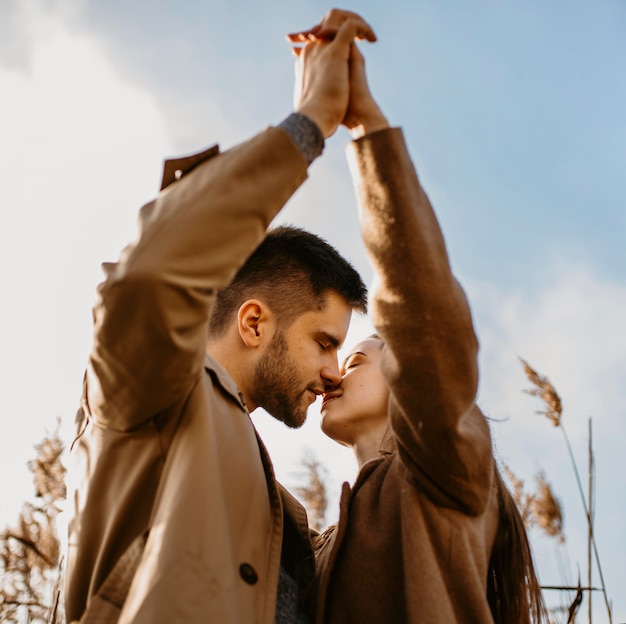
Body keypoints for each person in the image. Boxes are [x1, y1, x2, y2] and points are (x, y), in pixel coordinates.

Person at [64, 12, 375, 623]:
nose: (334, 372)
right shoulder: (155, 386)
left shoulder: (283, 513)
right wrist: (311, 123)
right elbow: (149, 274)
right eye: (324, 342)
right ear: (254, 323)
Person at [287, 12, 548, 624]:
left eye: (354, 359)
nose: (330, 375)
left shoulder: (441, 472)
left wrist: (366, 127)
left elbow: (425, 322)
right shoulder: (307, 543)